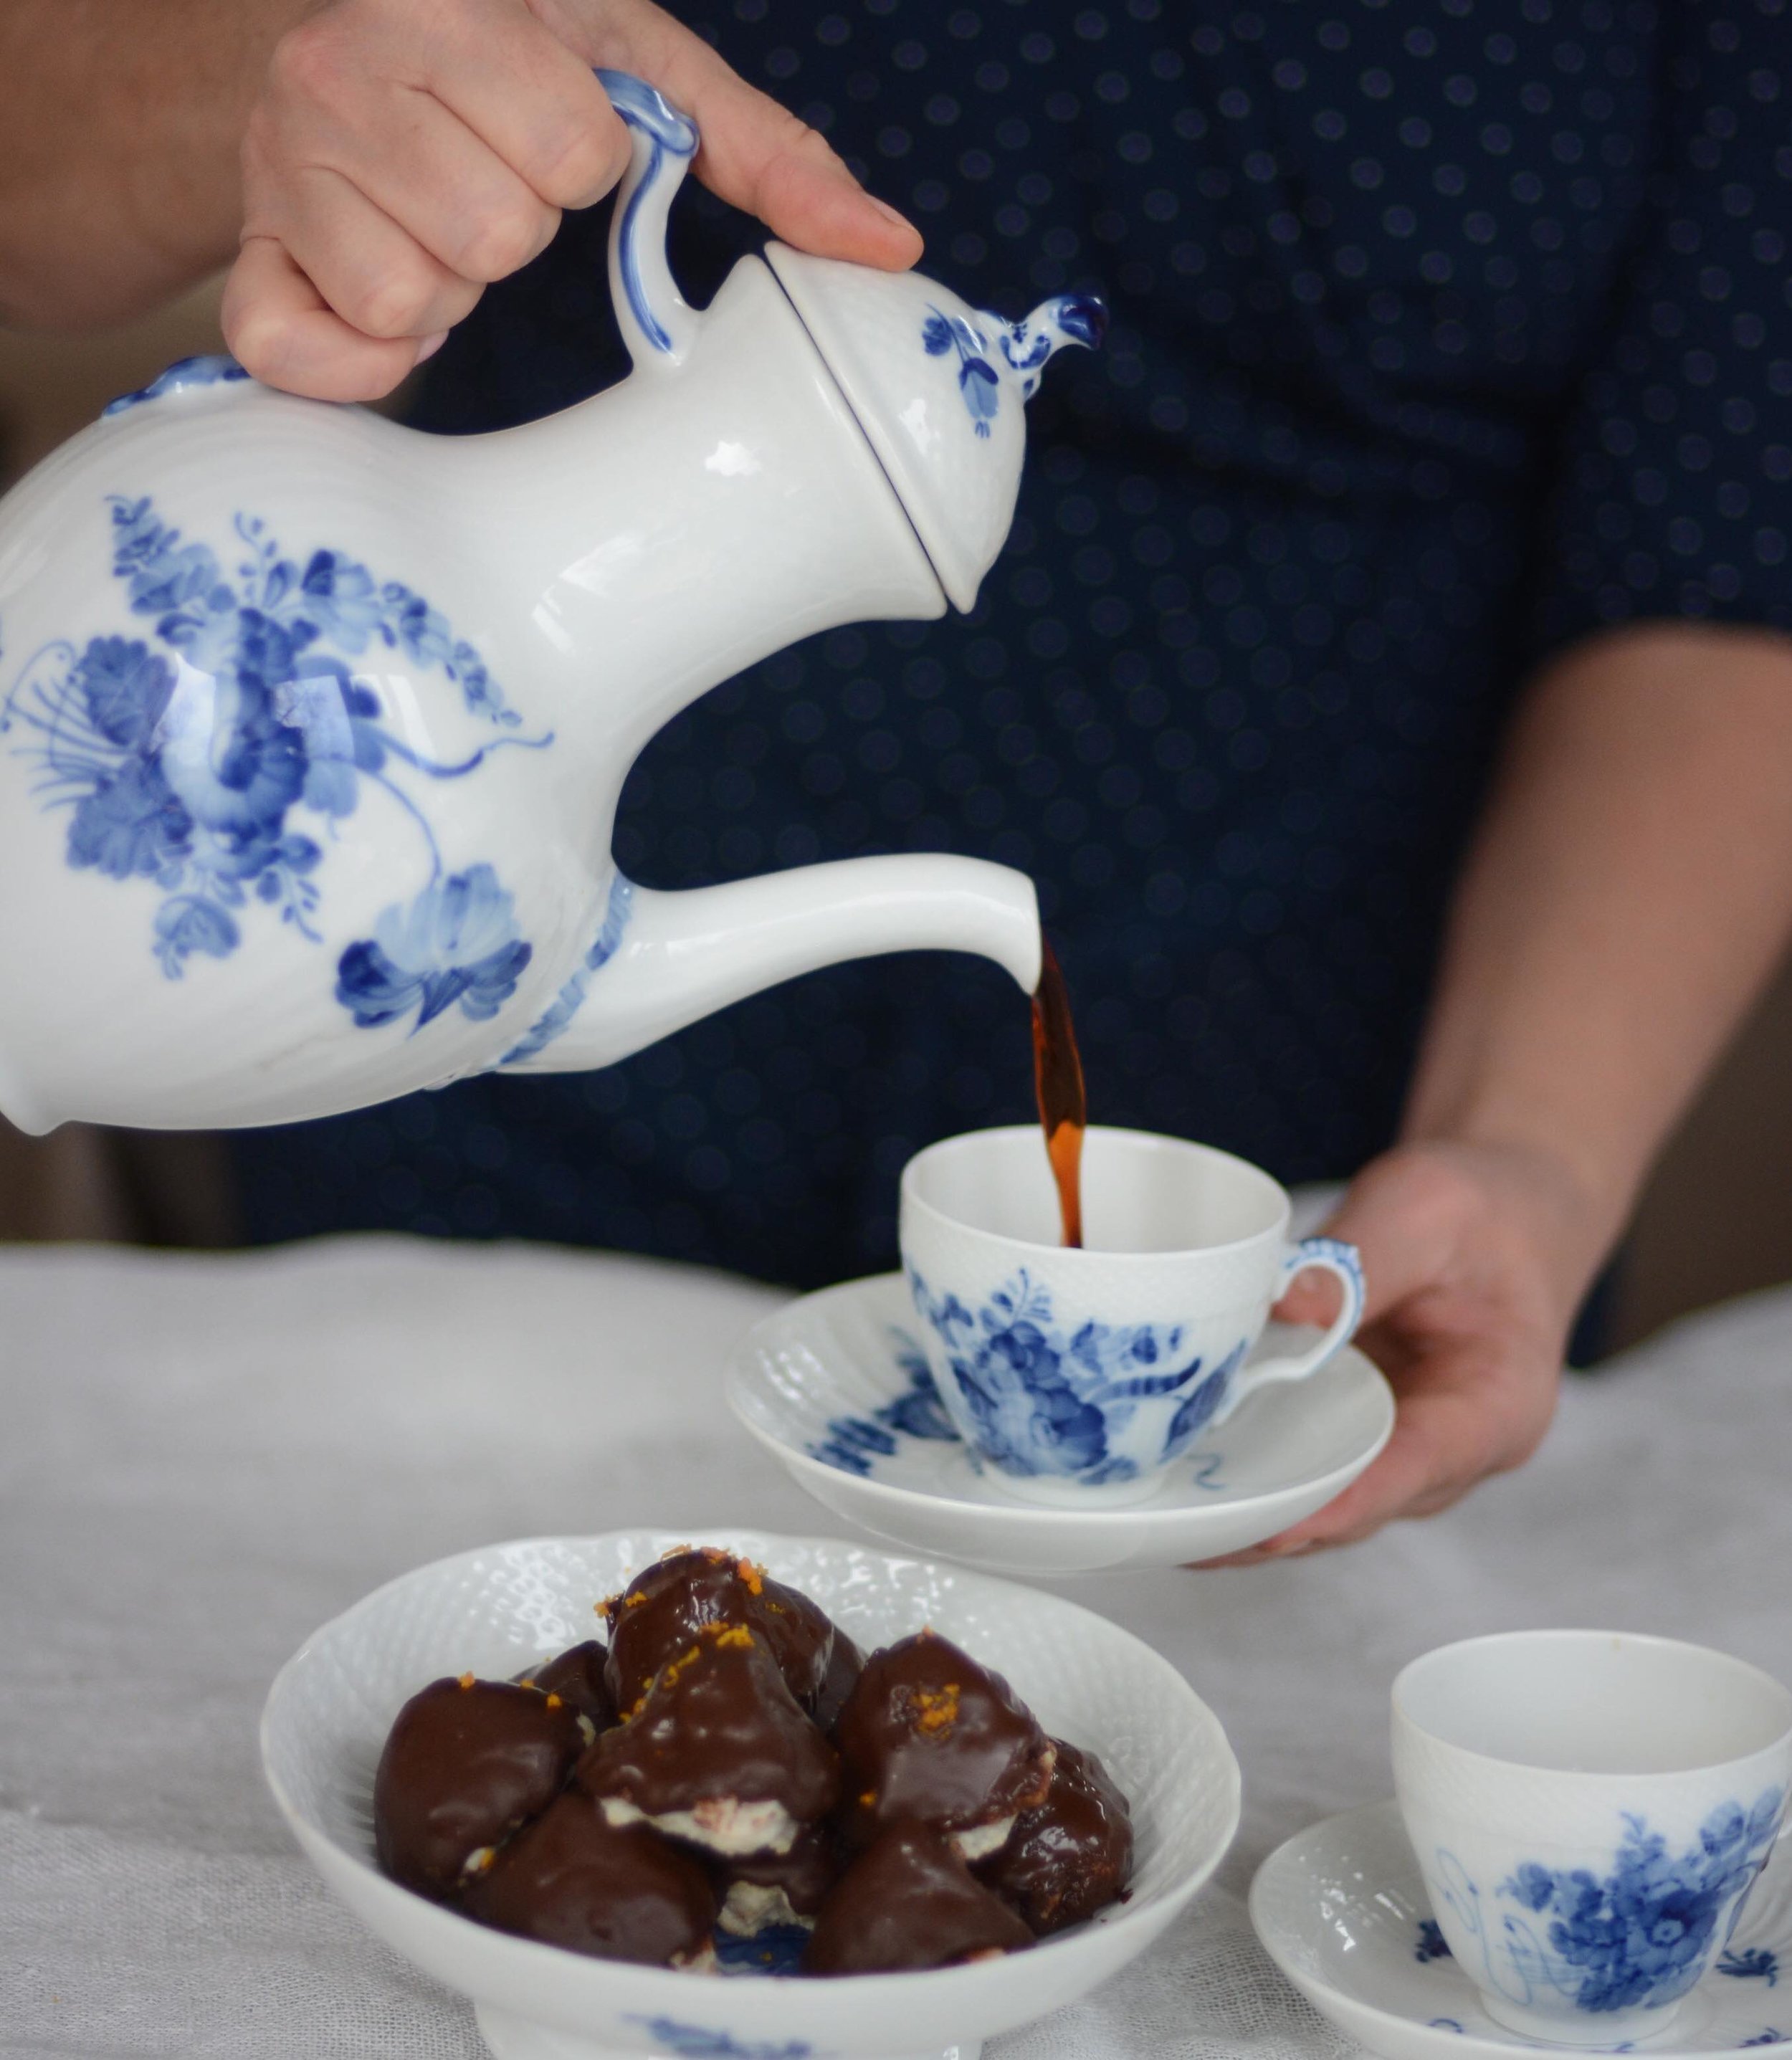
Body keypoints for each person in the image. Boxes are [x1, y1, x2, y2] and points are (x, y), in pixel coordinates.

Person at [5, 0, 1791, 1560]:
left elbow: (1728, 551)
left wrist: (1527, 1154)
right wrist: (275, 54)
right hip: (483, 1194)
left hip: (1277, 1238)